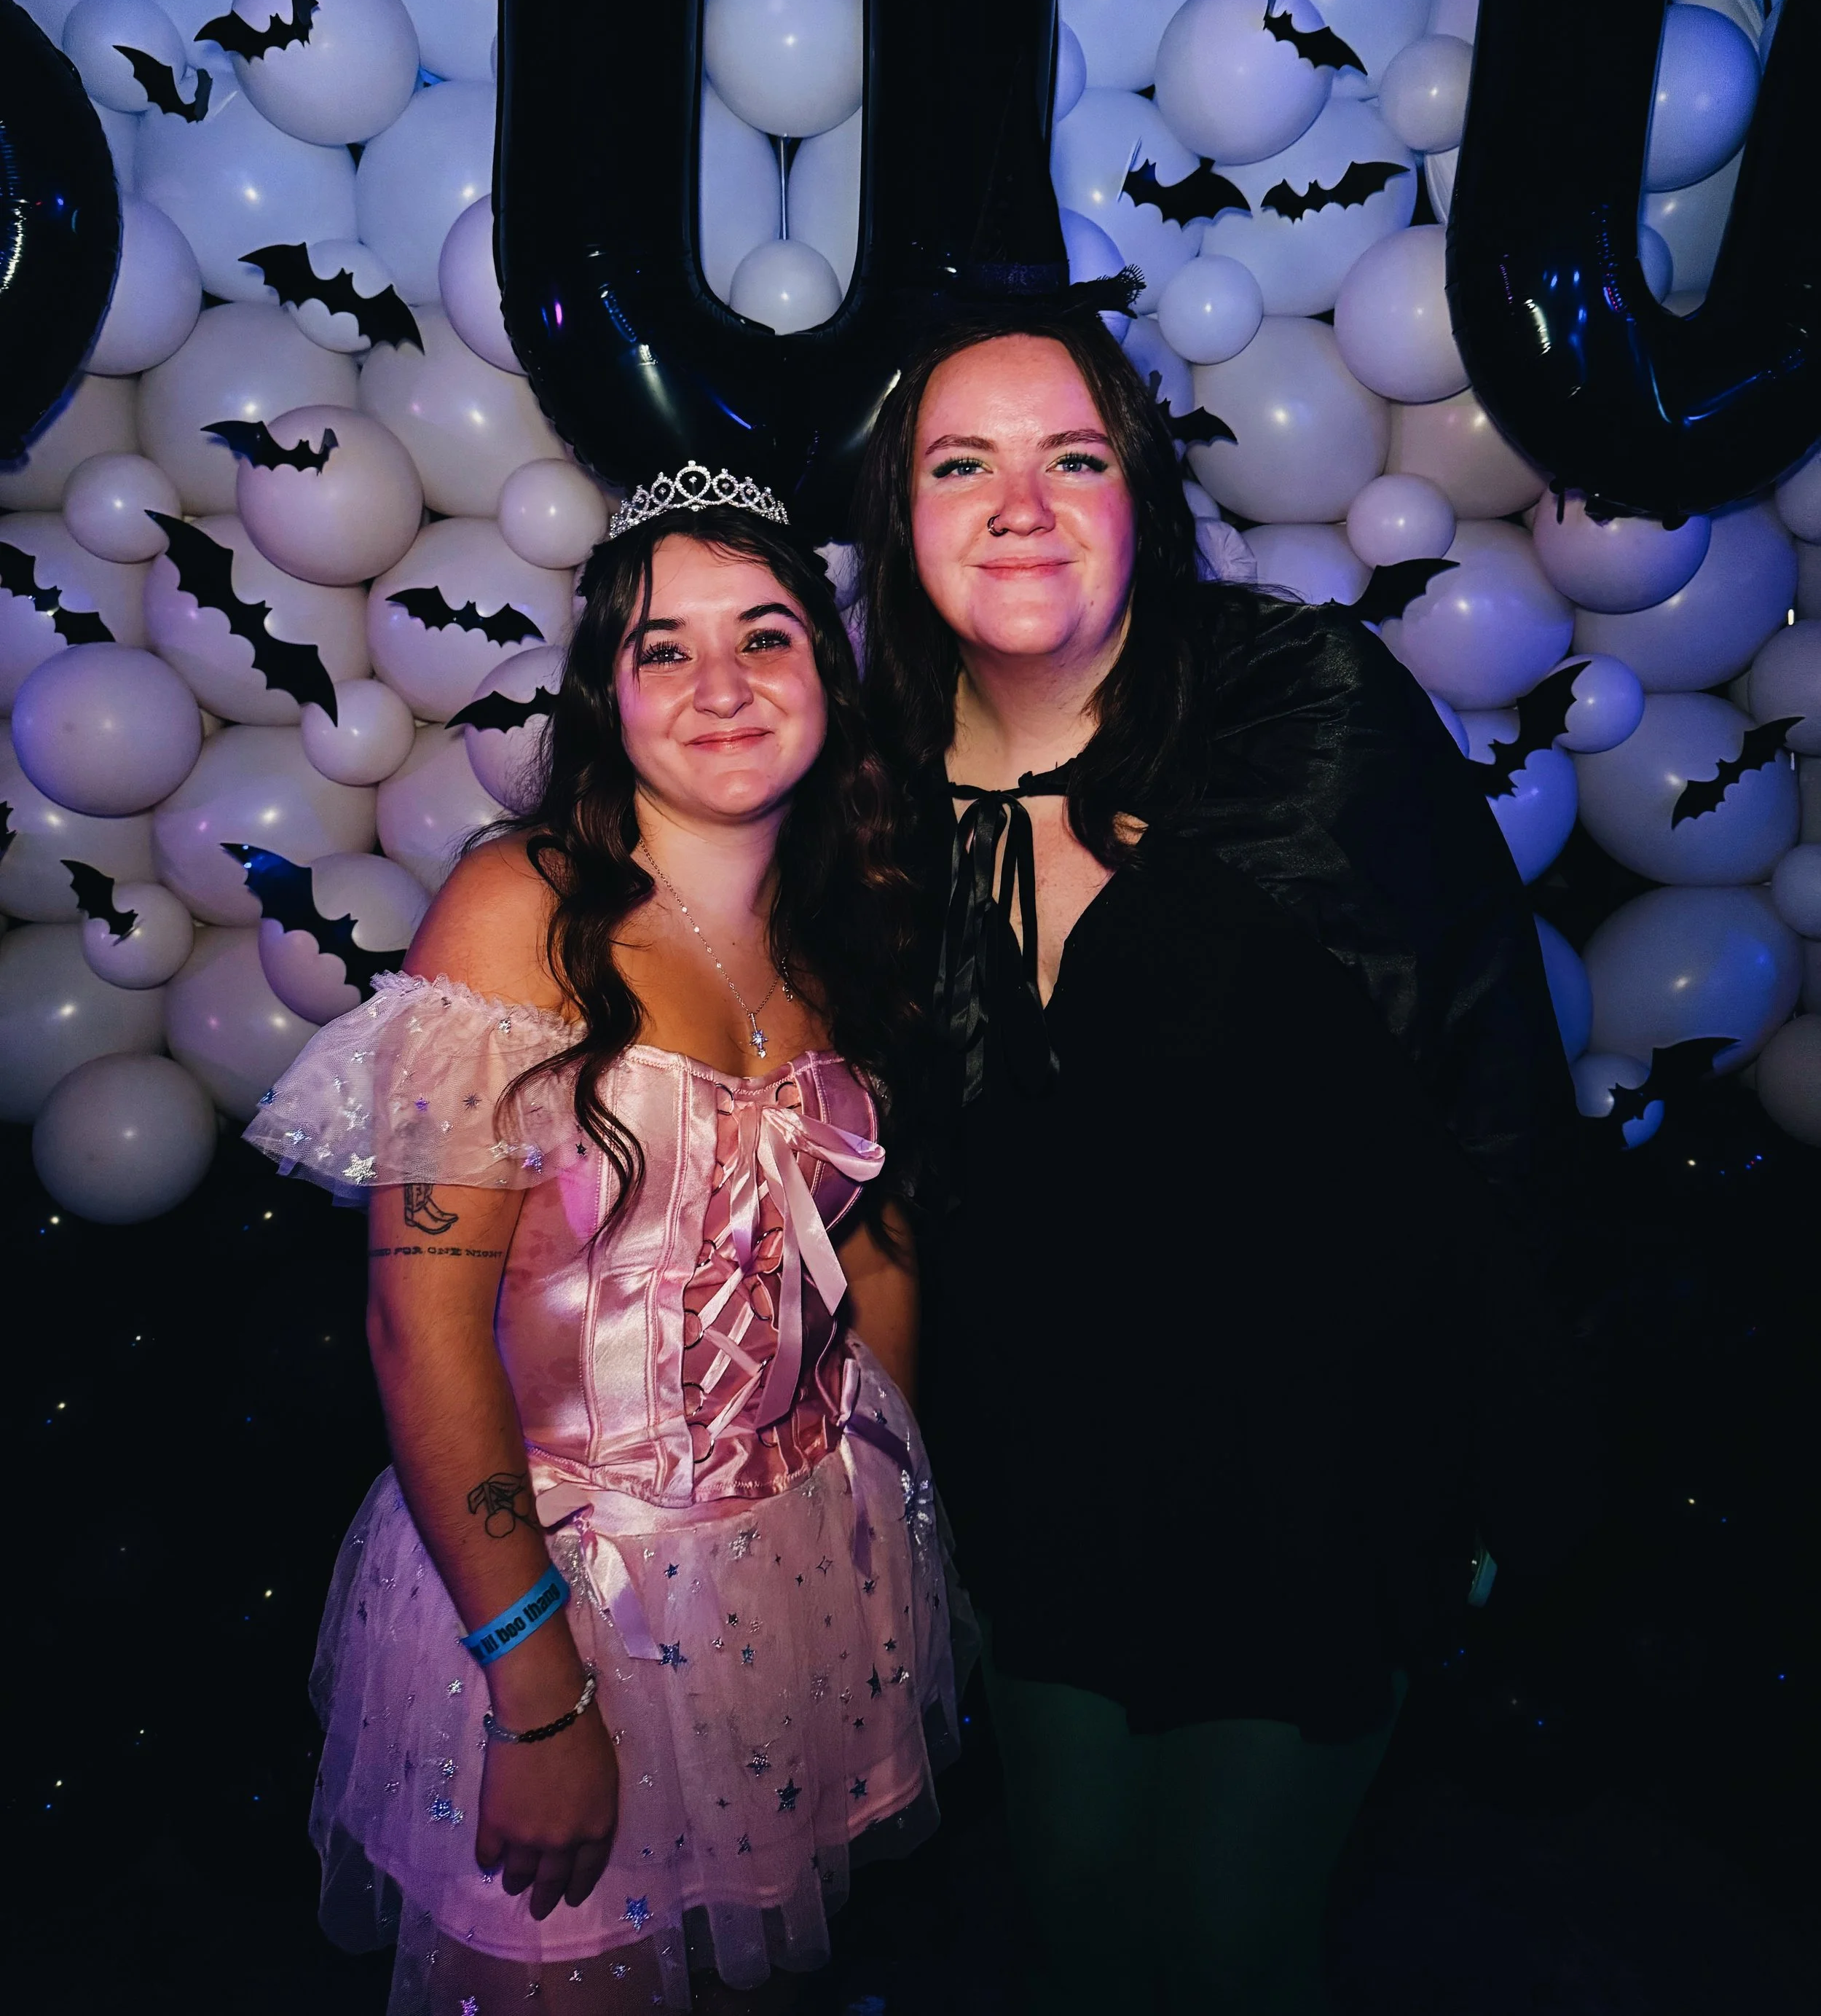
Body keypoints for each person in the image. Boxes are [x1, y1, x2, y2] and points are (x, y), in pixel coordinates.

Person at [851, 299, 1592, 2016]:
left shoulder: (1300, 709)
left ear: (1137, 500)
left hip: (1318, 1461)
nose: (1017, 502)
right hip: (1032, 1474)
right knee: (1081, 1923)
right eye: (959, 463)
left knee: (1226, 1941)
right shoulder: (862, 799)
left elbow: (1485, 1077)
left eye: (1072, 457)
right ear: (899, 521)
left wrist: (1507, 1452)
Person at [246, 471, 960, 2016]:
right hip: (563, 1597)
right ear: (607, 698)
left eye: (764, 636)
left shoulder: (850, 919)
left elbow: (870, 1245)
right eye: (662, 648)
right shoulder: (519, 909)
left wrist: (894, 1537)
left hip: (799, 1570)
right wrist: (534, 1686)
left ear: (826, 682)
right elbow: (416, 1329)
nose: (720, 684)